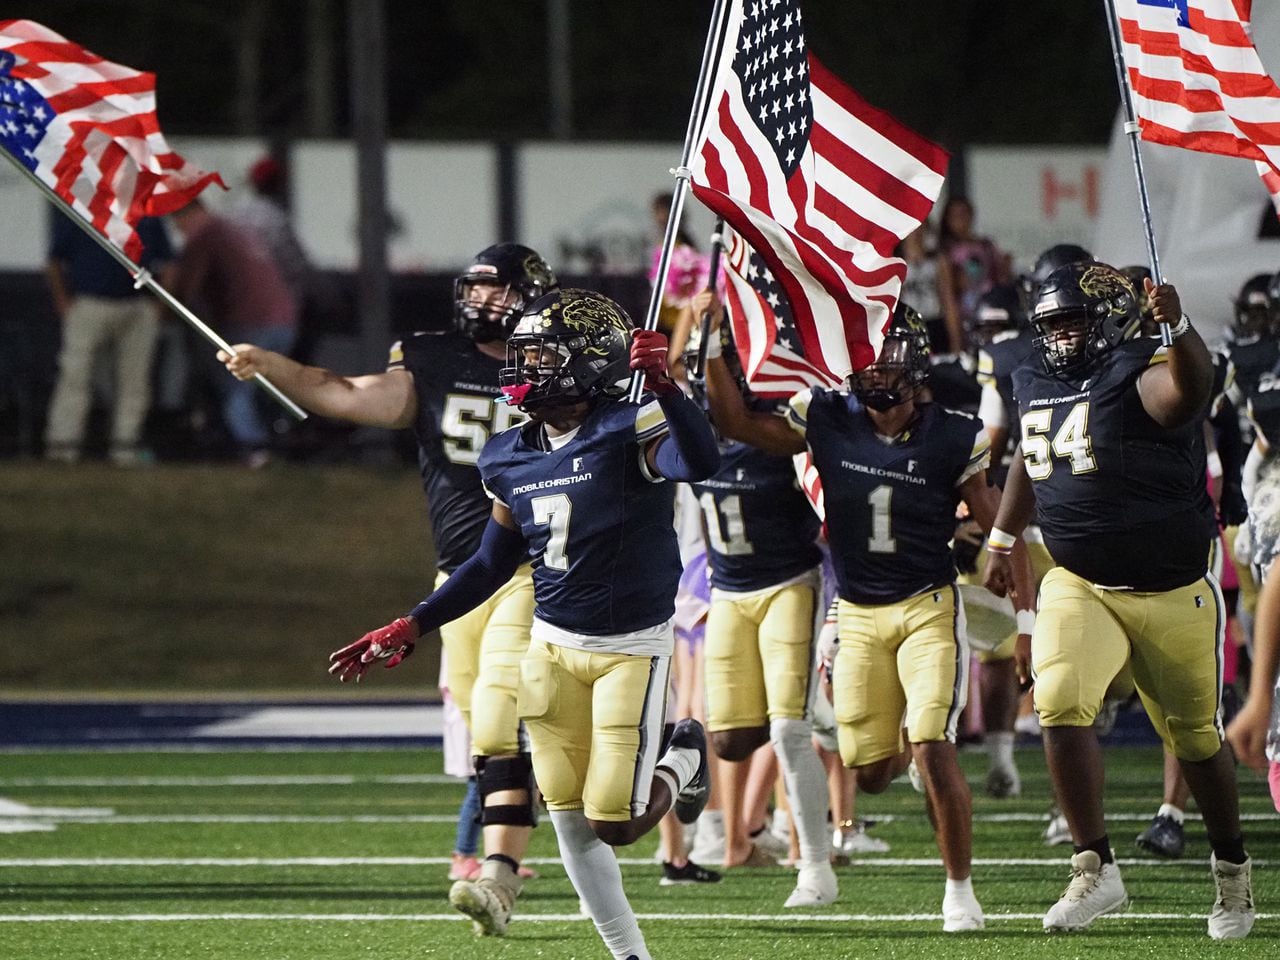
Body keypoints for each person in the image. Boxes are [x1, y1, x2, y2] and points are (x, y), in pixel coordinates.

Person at [330, 288, 720, 960]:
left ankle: (684, 753)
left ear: (588, 364)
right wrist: (411, 625)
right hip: (552, 648)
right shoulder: (506, 453)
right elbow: (487, 565)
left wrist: (669, 386)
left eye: (540, 357)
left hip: (631, 649)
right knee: (569, 820)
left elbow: (702, 463)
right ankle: (631, 956)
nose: (522, 369)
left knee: (617, 824)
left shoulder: (631, 426)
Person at [219, 243, 555, 936]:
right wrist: (271, 365)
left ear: (530, 294)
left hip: (537, 568)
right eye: (476, 287)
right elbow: (345, 393)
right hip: (461, 573)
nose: (480, 300)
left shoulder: (557, 361)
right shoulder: (432, 359)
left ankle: (495, 874)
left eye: (497, 289)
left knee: (499, 717)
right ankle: (499, 859)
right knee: (488, 738)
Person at [700, 301, 1034, 933]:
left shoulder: (952, 433)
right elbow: (737, 422)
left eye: (886, 354)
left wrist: (1024, 626)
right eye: (865, 354)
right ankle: (906, 755)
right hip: (856, 615)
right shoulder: (827, 416)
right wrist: (714, 346)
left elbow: (1001, 522)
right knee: (870, 772)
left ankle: (959, 892)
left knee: (933, 745)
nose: (875, 367)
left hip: (927, 609)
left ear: (916, 362)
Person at [983, 261, 1256, 938]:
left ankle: (1231, 872)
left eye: (1074, 320)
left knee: (1195, 738)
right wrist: (999, 536)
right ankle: (1095, 867)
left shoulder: (1141, 366)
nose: (1063, 336)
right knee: (1058, 702)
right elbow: (1029, 450)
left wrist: (1179, 325)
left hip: (1170, 588)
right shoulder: (1036, 380)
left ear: (1107, 320)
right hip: (1081, 582)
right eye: (1052, 325)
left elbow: (1184, 395)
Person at [683, 296, 836, 906]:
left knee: (787, 729)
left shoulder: (784, 433)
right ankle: (702, 796)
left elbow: (744, 421)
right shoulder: (692, 439)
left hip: (788, 587)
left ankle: (816, 867)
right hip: (727, 591)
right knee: (726, 740)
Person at [167, 199, 298, 465]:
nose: (179, 232)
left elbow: (187, 290)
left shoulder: (204, 234)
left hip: (251, 323)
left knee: (235, 392)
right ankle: (273, 442)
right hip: (285, 320)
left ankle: (256, 452)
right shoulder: (235, 228)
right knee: (263, 390)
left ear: (184, 215)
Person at [43, 213, 172, 464]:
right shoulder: (82, 207)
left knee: (135, 382)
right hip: (90, 303)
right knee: (75, 377)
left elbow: (168, 262)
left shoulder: (147, 213)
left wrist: (159, 306)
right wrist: (63, 302)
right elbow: (54, 259)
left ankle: (125, 450)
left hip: (136, 305)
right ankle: (62, 450)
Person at [937, 197, 1011, 346]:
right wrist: (956, 340)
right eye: (955, 215)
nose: (961, 219)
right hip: (965, 319)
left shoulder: (987, 245)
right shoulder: (948, 252)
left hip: (992, 316)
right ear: (948, 220)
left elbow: (1001, 281)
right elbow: (948, 297)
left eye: (964, 213)